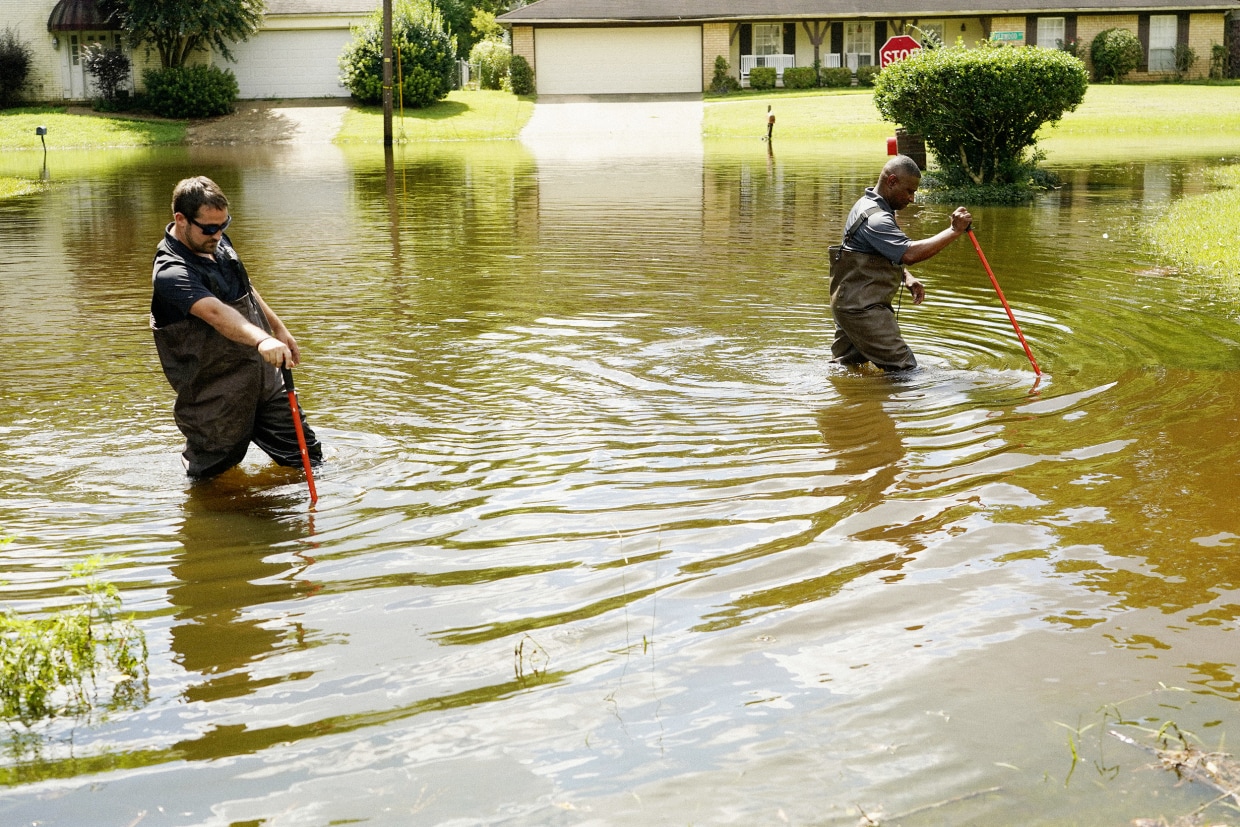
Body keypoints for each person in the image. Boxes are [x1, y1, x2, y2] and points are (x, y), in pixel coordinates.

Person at [150, 176, 323, 478]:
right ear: (181, 219)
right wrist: (261, 341)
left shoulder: (217, 241)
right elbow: (216, 313)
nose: (218, 235)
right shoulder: (170, 272)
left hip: (265, 381)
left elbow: (245, 287)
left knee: (308, 458)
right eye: (210, 228)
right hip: (216, 396)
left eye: (224, 225)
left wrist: (277, 329)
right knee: (211, 480)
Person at [828, 155, 972, 372]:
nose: (912, 198)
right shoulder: (876, 218)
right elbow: (910, 254)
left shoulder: (868, 205)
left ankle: (847, 403)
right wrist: (954, 231)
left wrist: (907, 277)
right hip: (862, 309)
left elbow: (878, 253)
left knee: (846, 368)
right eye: (909, 191)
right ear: (892, 181)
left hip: (848, 304)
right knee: (905, 370)